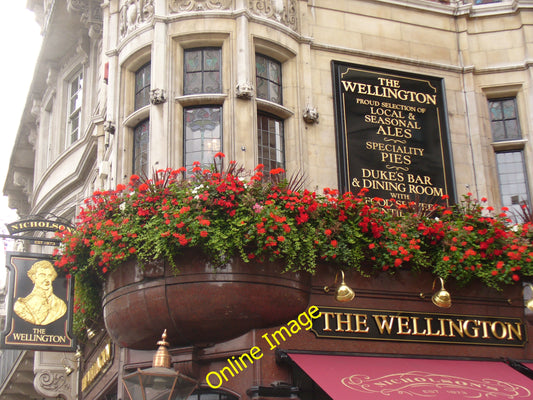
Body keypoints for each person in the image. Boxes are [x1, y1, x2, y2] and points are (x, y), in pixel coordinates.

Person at [13, 260, 67, 325]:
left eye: (49, 275)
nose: (47, 279)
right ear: (34, 277)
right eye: (42, 275)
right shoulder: (21, 306)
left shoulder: (61, 305)